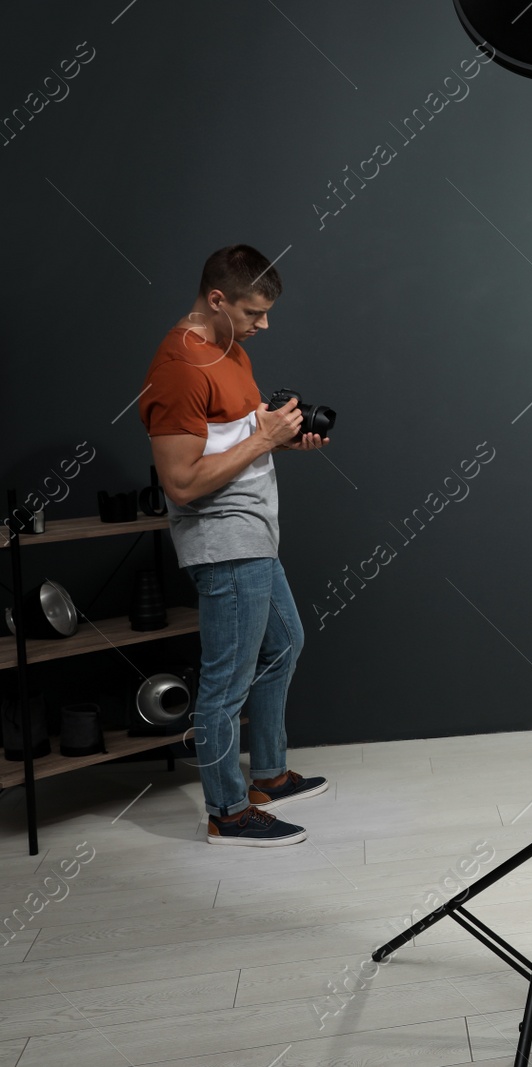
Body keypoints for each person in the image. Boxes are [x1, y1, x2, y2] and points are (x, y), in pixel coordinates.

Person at [140, 244, 332, 847]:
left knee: (285, 644)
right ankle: (227, 811)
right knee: (226, 680)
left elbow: (231, 446)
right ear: (216, 299)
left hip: (255, 532)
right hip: (222, 539)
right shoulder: (178, 367)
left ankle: (268, 775)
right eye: (253, 312)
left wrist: (277, 436)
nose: (264, 324)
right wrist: (263, 439)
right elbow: (181, 481)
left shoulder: (232, 352)